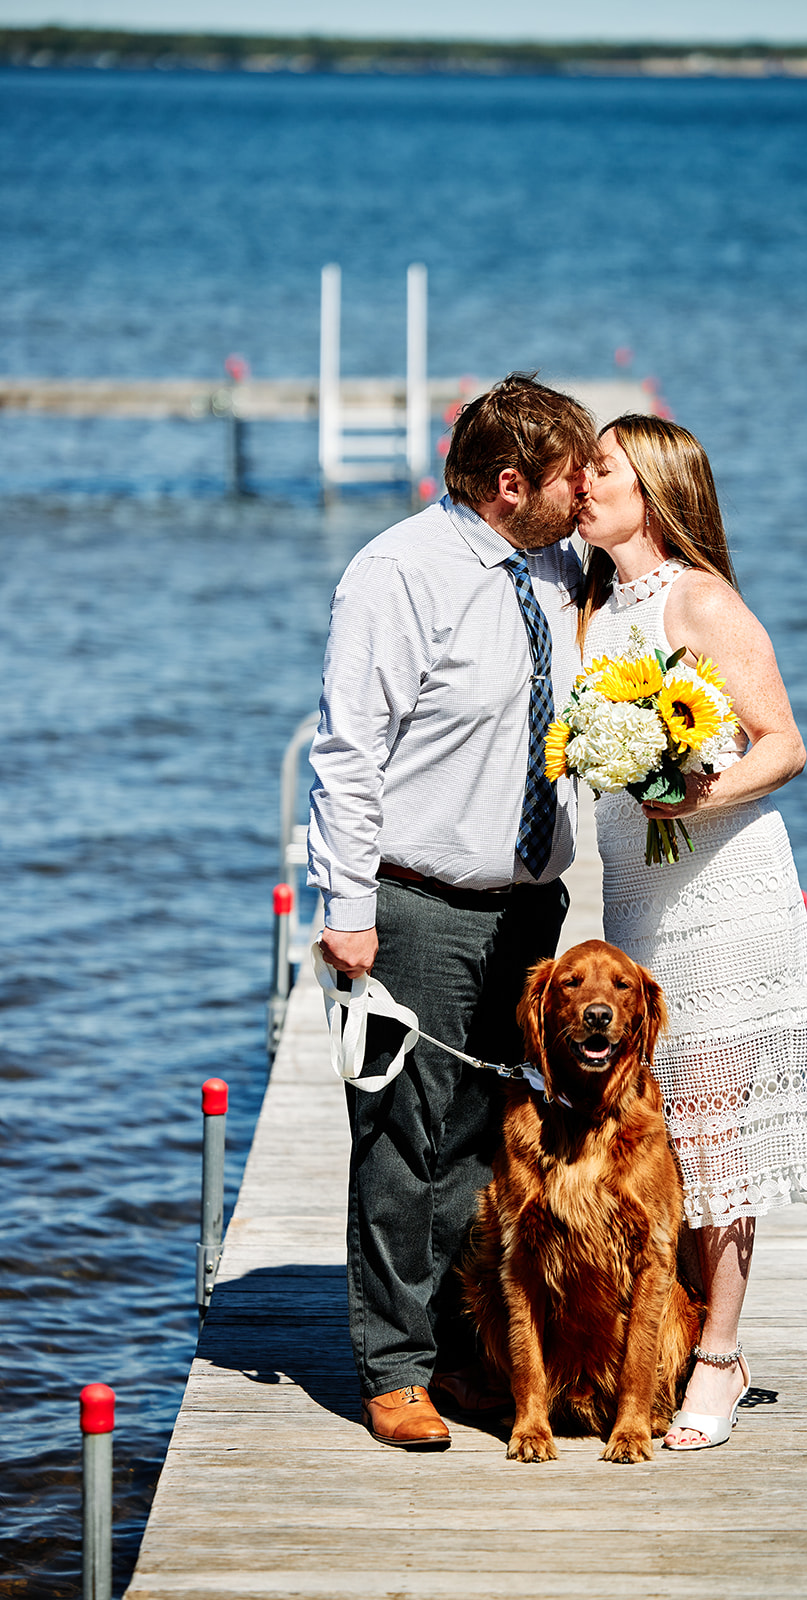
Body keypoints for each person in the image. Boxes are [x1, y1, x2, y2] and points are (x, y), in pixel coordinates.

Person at [308, 374, 598, 1450]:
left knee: (489, 1135)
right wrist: (344, 907)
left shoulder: (563, 564)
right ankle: (393, 1367)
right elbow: (345, 754)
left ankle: (462, 1342)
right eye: (573, 475)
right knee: (403, 1138)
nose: (584, 493)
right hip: (416, 902)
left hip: (530, 906)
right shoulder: (396, 572)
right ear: (511, 484)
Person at [576, 414, 807, 1451]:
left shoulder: (701, 599)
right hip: (638, 903)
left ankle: (719, 1359)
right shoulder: (594, 606)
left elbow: (784, 745)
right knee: (659, 1126)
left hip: (727, 893)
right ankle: (673, 1329)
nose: (582, 482)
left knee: (714, 1131)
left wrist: (691, 801)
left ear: (650, 489)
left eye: (599, 468)